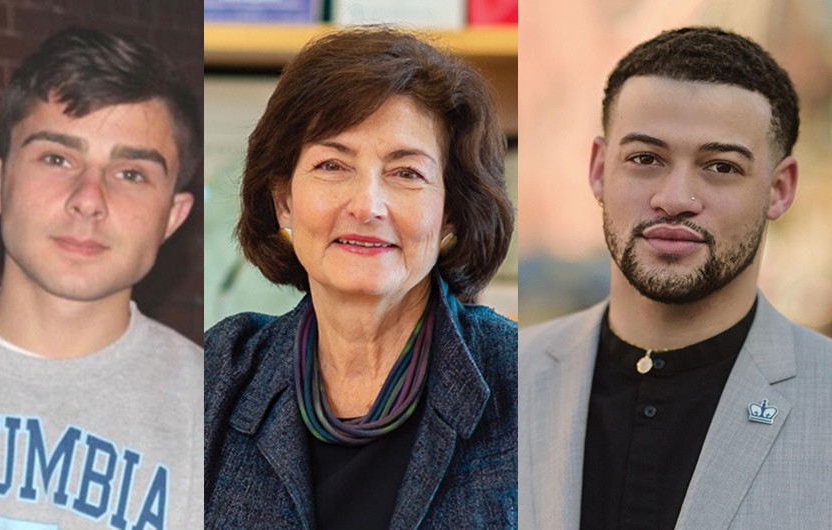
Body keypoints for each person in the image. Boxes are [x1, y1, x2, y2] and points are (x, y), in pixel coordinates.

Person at [519, 26, 832, 530]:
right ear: (600, 168)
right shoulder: (507, 379)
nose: (675, 197)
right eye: (645, 159)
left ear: (779, 188)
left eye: (721, 167)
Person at [0, 27, 202, 528]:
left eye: (131, 173)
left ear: (173, 216)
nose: (89, 198)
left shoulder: (221, 419)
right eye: (57, 158)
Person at [204, 27, 516, 529]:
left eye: (406, 173)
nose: (367, 205)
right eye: (332, 165)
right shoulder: (218, 373)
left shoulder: (524, 380)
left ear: (452, 212)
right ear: (283, 200)